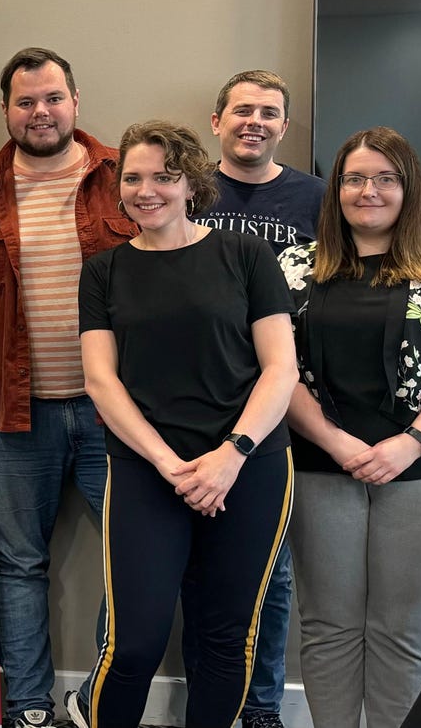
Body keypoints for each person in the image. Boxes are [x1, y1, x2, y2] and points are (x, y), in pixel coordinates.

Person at [72, 120, 297, 728]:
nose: (147, 191)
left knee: (225, 641)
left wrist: (232, 453)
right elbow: (101, 381)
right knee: (133, 644)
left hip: (249, 466)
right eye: (133, 178)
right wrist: (168, 464)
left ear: (192, 184)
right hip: (148, 469)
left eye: (164, 177)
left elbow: (281, 368)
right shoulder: (103, 271)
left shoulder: (246, 255)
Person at [278, 126, 421, 728]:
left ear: (410, 188)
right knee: (327, 626)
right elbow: (276, 370)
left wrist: (410, 443)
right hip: (321, 463)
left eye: (385, 178)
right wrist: (335, 441)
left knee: (402, 629)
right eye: (354, 178)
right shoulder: (295, 266)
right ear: (336, 189)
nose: (368, 190)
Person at [0, 47, 131, 728]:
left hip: (115, 411)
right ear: (5, 109)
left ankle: (100, 695)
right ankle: (29, 706)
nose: (40, 112)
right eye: (25, 101)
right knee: (19, 564)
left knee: (134, 554)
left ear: (75, 101)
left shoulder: (124, 177)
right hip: (15, 412)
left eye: (52, 98)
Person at [193, 68, 324, 728]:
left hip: (281, 406)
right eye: (243, 110)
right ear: (217, 121)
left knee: (271, 571)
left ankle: (262, 706)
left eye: (269, 113)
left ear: (285, 126)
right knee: (174, 563)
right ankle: (200, 701)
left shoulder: (317, 198)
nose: (255, 122)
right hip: (191, 402)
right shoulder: (185, 189)